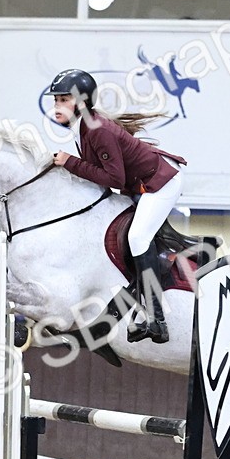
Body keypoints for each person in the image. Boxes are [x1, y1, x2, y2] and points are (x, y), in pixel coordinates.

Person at [44, 68, 187, 344]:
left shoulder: (97, 130)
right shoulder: (83, 126)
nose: (57, 106)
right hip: (141, 183)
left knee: (137, 238)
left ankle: (157, 321)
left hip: (161, 182)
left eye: (64, 100)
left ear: (82, 103)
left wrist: (70, 163)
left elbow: (114, 178)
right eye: (56, 100)